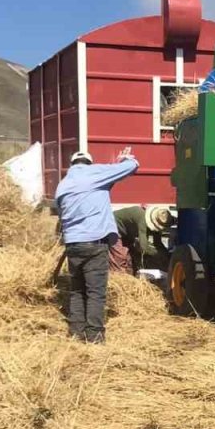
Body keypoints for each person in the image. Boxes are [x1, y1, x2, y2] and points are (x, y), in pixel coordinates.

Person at [55, 147, 139, 343]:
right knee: (96, 292)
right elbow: (132, 166)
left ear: (72, 165)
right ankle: (94, 336)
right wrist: (125, 158)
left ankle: (76, 332)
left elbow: (61, 215)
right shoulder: (95, 173)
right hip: (94, 243)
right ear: (89, 163)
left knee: (77, 290)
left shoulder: (63, 185)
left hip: (73, 244)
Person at [114, 205, 174, 272]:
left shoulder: (157, 223)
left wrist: (166, 254)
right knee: (120, 257)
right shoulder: (142, 220)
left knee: (130, 259)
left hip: (127, 232)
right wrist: (158, 254)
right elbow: (144, 247)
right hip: (113, 227)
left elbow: (158, 243)